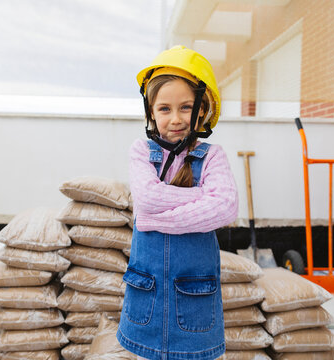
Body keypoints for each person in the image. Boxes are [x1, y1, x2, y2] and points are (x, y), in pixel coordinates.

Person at [116, 45, 239, 360]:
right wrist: (201, 197)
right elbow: (146, 196)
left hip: (193, 293)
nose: (175, 119)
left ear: (202, 109)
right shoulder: (141, 152)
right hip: (148, 290)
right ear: (151, 113)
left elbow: (225, 206)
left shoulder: (212, 156)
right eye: (164, 109)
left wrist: (153, 219)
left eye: (186, 107)